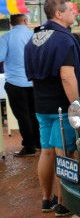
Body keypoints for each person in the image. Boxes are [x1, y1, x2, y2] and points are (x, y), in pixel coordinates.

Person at [24, 0, 80, 218]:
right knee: (64, 153)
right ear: (59, 14)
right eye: (71, 10)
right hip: (62, 107)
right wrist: (77, 105)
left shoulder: (34, 39)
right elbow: (67, 76)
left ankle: (46, 198)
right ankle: (63, 202)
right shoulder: (64, 39)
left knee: (47, 152)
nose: (74, 13)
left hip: (41, 104)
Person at [0, 14, 41, 156]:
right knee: (35, 113)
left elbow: (0, 57)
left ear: (11, 23)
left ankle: (29, 147)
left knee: (22, 116)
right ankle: (39, 142)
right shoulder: (35, 35)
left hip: (15, 82)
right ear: (25, 20)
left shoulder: (6, 37)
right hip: (34, 82)